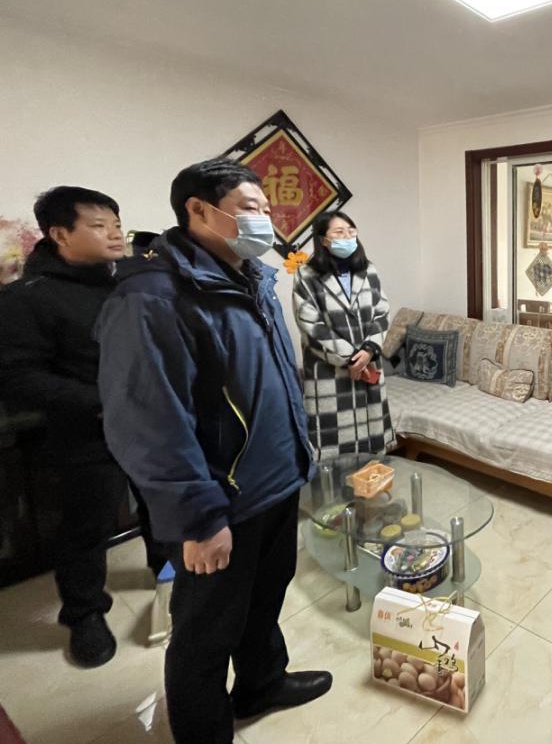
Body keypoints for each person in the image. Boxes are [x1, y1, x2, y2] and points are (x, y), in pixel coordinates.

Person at [95, 158, 331, 744]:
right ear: (198, 210)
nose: (264, 221)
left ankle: (262, 684)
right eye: (250, 208)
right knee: (206, 632)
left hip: (276, 483)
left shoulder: (253, 279)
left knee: (263, 602)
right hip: (220, 504)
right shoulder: (154, 298)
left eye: (267, 210)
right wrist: (199, 518)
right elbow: (148, 423)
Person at [0, 187, 164, 668]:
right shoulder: (28, 298)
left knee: (161, 503)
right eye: (98, 225)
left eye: (116, 223)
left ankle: (168, 572)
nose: (114, 233)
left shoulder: (126, 282)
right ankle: (85, 613)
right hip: (86, 432)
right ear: (60, 234)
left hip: (150, 425)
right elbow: (18, 378)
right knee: (86, 527)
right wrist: (102, 402)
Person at [292, 211, 396, 459]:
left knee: (371, 446)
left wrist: (369, 349)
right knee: (334, 449)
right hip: (329, 371)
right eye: (339, 232)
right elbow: (311, 325)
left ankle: (372, 481)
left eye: (351, 231)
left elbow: (382, 312)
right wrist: (351, 358)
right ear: (323, 240)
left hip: (368, 364)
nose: (347, 237)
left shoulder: (368, 270)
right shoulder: (306, 275)